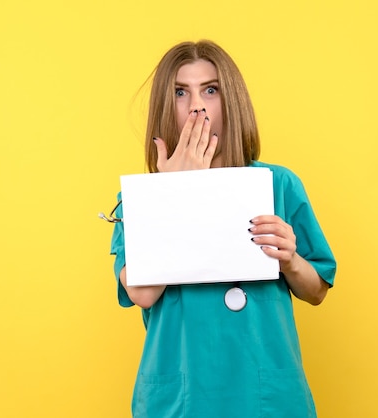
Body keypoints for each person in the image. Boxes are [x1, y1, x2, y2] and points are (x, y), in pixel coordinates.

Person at [109, 40, 336, 418]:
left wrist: (291, 259)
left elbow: (317, 291)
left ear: (230, 100)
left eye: (210, 90)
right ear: (166, 106)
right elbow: (142, 292)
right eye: (181, 92)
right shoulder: (141, 197)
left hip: (267, 396)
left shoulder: (278, 184)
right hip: (182, 397)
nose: (196, 105)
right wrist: (174, 193)